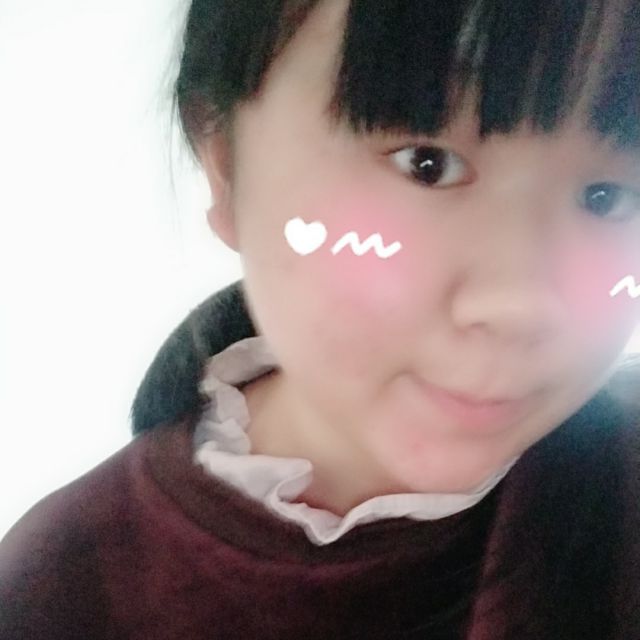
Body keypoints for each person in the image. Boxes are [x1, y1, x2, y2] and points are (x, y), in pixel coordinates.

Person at [1, 0, 640, 637]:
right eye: (426, 163)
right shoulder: (60, 588)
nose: (522, 304)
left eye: (608, 197)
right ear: (225, 164)